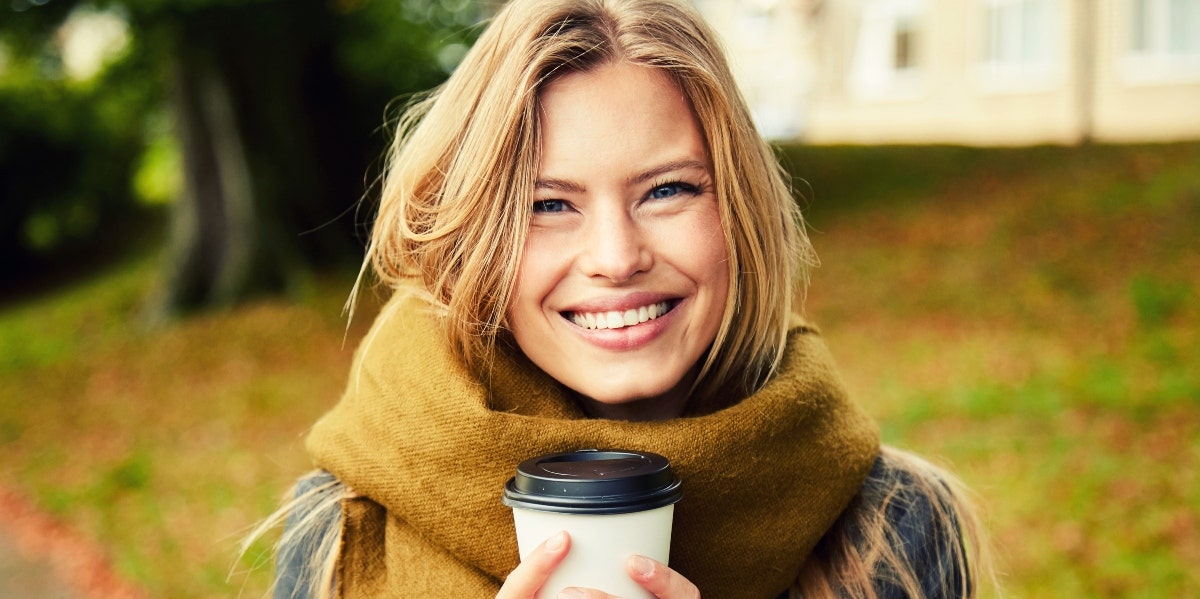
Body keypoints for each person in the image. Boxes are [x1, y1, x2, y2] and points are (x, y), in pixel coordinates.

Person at [246, 0, 994, 597]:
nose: (616, 257)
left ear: (741, 212)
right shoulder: (342, 526)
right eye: (548, 204)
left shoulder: (892, 525)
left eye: (667, 190)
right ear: (475, 238)